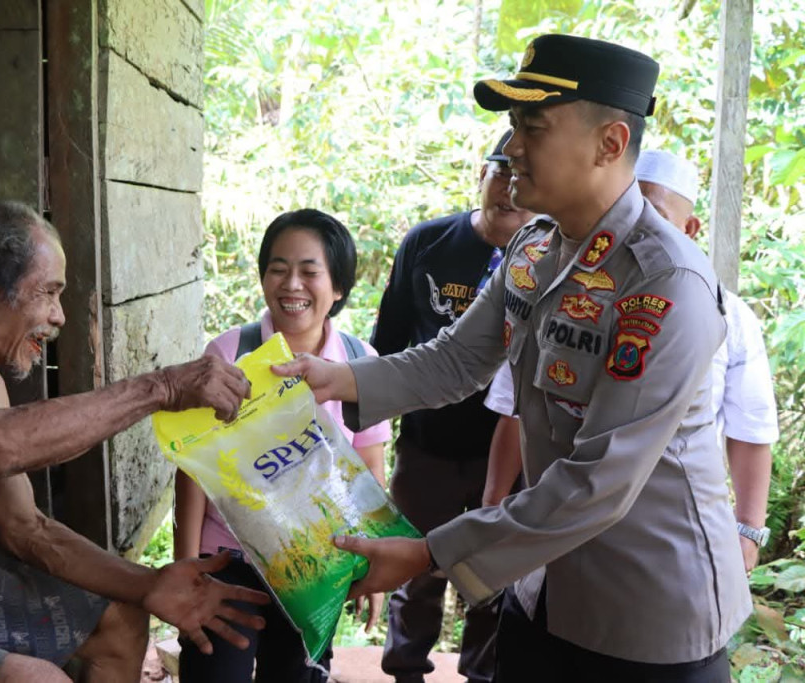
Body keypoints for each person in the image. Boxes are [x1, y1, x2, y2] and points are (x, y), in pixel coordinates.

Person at [274, 34, 750, 681]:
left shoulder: (666, 282)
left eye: (534, 127)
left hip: (648, 612)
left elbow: (599, 481)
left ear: (610, 143)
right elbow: (455, 359)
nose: (512, 148)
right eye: (512, 126)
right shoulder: (536, 247)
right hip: (545, 587)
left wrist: (426, 552)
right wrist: (336, 376)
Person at [0, 201, 270, 683]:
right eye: (48, 292)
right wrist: (162, 387)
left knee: (122, 621)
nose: (60, 316)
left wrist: (149, 584)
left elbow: (27, 528)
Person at [481, 150, 779, 573]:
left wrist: (748, 531)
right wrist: (492, 507)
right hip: (550, 521)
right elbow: (516, 410)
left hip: (666, 533)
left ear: (690, 229)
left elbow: (750, 427)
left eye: (653, 215)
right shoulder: (557, 297)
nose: (631, 230)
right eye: (623, 212)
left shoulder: (726, 315)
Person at [174, 208, 392, 682]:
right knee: (214, 672)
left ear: (338, 288)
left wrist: (376, 561)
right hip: (227, 561)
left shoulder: (360, 362)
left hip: (315, 568)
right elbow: (193, 470)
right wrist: (187, 567)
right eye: (278, 269)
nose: (291, 284)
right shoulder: (230, 353)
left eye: (309, 272)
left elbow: (370, 469)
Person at [369, 132, 533, 683]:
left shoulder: (545, 257)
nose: (509, 189)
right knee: (413, 567)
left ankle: (481, 675)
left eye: (522, 176)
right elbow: (388, 342)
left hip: (507, 453)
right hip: (426, 447)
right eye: (500, 170)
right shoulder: (429, 243)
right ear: (479, 174)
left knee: (494, 572)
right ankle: (405, 671)